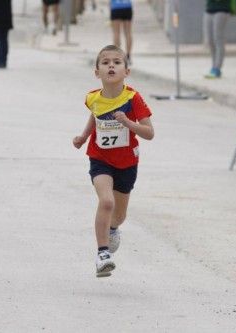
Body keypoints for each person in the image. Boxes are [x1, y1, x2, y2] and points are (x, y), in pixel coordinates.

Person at [72, 45, 154, 277]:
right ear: (96, 72)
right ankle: (102, 254)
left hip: (127, 163)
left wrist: (129, 123)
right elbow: (95, 115)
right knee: (106, 202)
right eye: (105, 62)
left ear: (126, 71)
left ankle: (114, 228)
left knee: (119, 215)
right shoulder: (92, 98)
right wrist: (83, 137)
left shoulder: (132, 98)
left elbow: (149, 133)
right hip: (100, 158)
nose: (111, 65)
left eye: (117, 62)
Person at [203, 0, 233, 78]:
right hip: (209, 10)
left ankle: (217, 68)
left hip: (222, 10)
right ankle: (213, 66)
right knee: (210, 40)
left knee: (218, 38)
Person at [110, 0, 133, 64]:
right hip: (127, 6)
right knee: (128, 32)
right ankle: (128, 56)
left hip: (115, 7)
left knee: (116, 33)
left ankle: (117, 56)